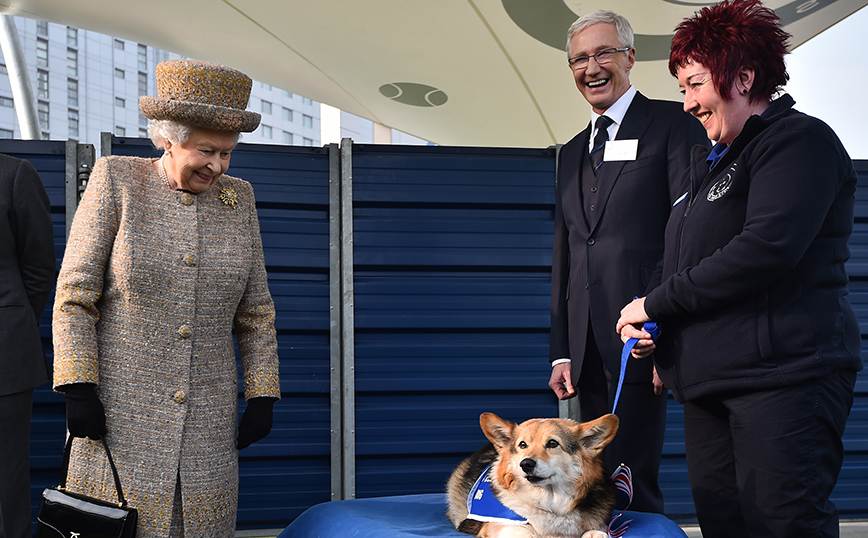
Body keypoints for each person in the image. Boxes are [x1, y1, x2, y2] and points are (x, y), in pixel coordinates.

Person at [616, 1, 863, 536]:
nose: (686, 103)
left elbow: (765, 248)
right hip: (711, 385)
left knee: (782, 523)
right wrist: (664, 332)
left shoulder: (798, 141)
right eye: (682, 88)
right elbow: (690, 266)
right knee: (724, 523)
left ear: (744, 77)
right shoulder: (707, 170)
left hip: (784, 377)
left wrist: (654, 302)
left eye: (695, 84)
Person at [52, 59, 281, 538]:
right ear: (169, 139)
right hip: (118, 412)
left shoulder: (240, 201)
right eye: (206, 150)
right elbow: (75, 296)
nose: (217, 166)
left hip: (208, 418)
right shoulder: (117, 179)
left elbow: (256, 312)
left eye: (227, 153)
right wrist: (78, 385)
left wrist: (262, 394)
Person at [548, 10, 708, 514]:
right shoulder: (571, 151)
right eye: (579, 59)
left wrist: (659, 316)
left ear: (630, 58)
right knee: (589, 481)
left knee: (634, 475)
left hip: (640, 334)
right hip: (585, 345)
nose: (590, 67)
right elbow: (567, 250)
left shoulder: (673, 125)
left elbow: (686, 231)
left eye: (603, 53)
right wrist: (560, 351)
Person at [0, 154, 55, 538]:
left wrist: (12, 326)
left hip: (4, 357)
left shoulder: (15, 174)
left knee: (5, 483)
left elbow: (38, 267)